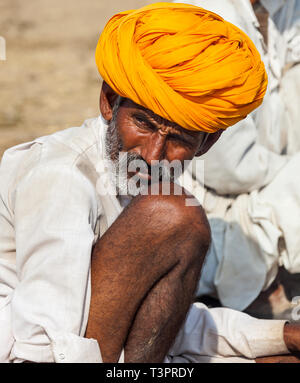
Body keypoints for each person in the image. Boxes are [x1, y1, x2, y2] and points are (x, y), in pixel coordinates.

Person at [0, 2, 300, 363]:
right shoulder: (62, 178)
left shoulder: (135, 181)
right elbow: (44, 347)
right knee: (174, 216)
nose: (154, 155)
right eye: (143, 123)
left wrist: (282, 334)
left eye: (179, 140)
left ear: (208, 143)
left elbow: (160, 321)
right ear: (109, 102)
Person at [174, 0, 300, 318]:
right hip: (212, 203)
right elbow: (227, 166)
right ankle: (257, 286)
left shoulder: (286, 9)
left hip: (266, 177)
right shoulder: (204, 15)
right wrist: (292, 172)